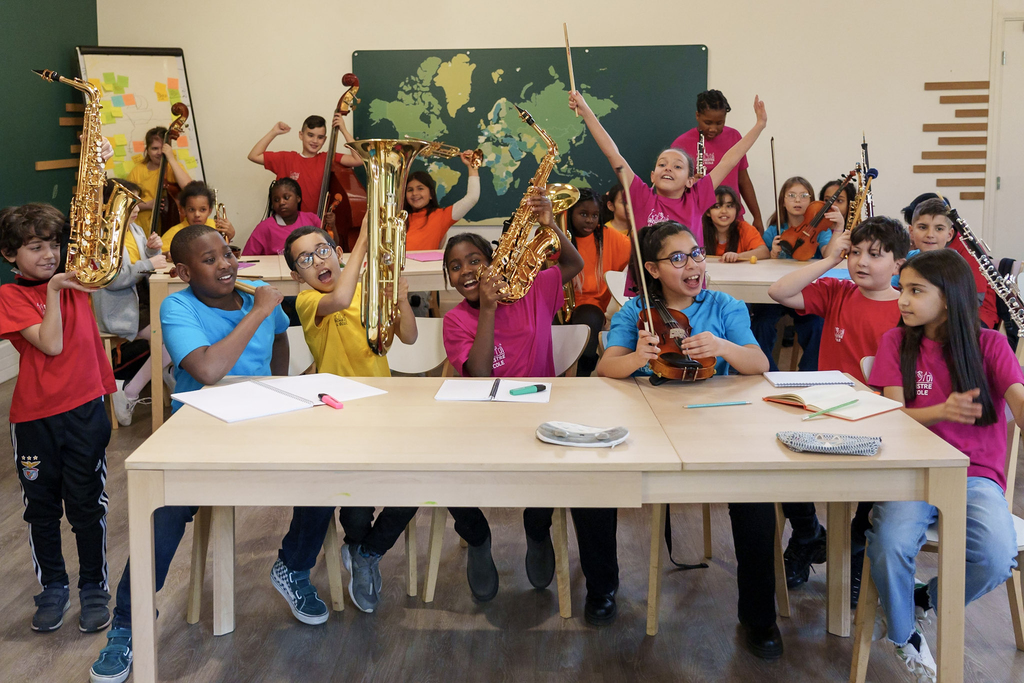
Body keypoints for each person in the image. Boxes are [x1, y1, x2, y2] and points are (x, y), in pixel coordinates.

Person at [88, 226, 332, 683]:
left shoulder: (256, 294)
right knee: (162, 511)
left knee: (325, 473)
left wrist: (276, 384)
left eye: (228, 254)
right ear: (183, 272)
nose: (225, 265)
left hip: (260, 419)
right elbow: (207, 369)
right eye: (209, 259)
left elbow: (280, 338)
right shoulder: (177, 306)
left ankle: (294, 568)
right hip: (200, 426)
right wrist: (258, 313)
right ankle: (126, 623)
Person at [595, 221, 782, 659]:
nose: (693, 265)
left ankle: (760, 617)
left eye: (696, 253)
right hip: (651, 423)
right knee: (597, 483)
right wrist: (637, 357)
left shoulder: (725, 305)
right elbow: (607, 366)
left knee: (755, 498)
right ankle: (601, 588)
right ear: (653, 270)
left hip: (717, 423)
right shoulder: (636, 311)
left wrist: (722, 346)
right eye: (677, 259)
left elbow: (758, 362)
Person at [442, 197, 621, 625]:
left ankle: (537, 530)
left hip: (539, 417)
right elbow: (480, 374)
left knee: (553, 475)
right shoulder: (456, 321)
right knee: (441, 471)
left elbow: (574, 264)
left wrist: (551, 224)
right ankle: (477, 537)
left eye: (475, 261)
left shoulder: (533, 290)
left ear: (493, 263)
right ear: (449, 279)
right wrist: (487, 308)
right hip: (482, 421)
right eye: (455, 267)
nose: (467, 271)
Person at [866, 248, 1023, 681]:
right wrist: (941, 411)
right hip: (913, 472)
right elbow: (891, 417)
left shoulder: (990, 344)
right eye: (902, 288)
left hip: (976, 476)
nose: (902, 299)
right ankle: (905, 636)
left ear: (950, 299)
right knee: (890, 544)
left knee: (997, 556)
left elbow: (1018, 402)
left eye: (916, 291)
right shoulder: (896, 342)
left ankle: (922, 600)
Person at [768, 216, 910, 603]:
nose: (861, 262)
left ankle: (855, 548)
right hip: (825, 413)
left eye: (875, 255)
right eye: (855, 253)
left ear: (898, 263)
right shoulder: (837, 291)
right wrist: (830, 259)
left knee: (880, 485)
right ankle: (808, 534)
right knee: (779, 458)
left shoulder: (907, 309)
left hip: (881, 420)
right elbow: (779, 290)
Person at [283, 222, 418, 613]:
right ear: (297, 276)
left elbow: (408, 337)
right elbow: (341, 298)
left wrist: (401, 300)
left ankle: (366, 553)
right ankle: (359, 546)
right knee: (357, 507)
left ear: (337, 253)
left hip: (384, 411)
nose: (317, 261)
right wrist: (364, 239)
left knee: (415, 488)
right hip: (340, 419)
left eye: (323, 250)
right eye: (305, 259)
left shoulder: (368, 289)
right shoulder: (308, 301)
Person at [0, 204, 115, 633]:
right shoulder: (10, 297)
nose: (49, 254)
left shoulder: (77, 278)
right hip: (34, 420)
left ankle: (93, 586)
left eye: (54, 244)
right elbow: (50, 343)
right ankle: (52, 586)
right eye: (35, 247)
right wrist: (52, 291)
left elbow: (104, 254)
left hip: (85, 410)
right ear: (10, 254)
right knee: (41, 508)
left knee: (86, 505)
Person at [570, 90, 768, 248]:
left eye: (677, 166)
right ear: (652, 176)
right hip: (649, 283)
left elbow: (729, 161)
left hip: (687, 281)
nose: (668, 169)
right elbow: (612, 153)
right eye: (662, 164)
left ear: (690, 180)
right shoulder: (641, 196)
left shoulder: (696, 198)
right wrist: (586, 112)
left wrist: (760, 125)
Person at [91, 180, 175, 426]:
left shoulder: (136, 229)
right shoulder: (103, 237)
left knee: (178, 328)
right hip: (120, 312)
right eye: (130, 203)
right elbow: (114, 280)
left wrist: (151, 251)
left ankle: (168, 373)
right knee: (170, 339)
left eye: (137, 202)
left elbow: (141, 269)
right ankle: (129, 391)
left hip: (142, 304)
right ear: (110, 206)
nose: (137, 208)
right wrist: (149, 262)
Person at [750, 176, 837, 372]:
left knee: (817, 325)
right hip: (775, 291)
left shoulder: (821, 229)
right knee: (761, 324)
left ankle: (808, 374)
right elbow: (762, 259)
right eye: (791, 195)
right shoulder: (774, 230)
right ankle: (766, 372)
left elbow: (829, 256)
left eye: (804, 196)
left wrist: (837, 230)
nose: (798, 200)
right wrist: (772, 254)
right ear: (783, 201)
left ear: (812, 201)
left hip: (806, 291)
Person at [671, 89, 765, 231]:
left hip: (732, 217)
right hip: (699, 219)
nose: (713, 129)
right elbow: (671, 188)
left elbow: (743, 180)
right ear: (697, 116)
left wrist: (757, 216)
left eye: (719, 123)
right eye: (707, 122)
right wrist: (688, 184)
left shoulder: (734, 136)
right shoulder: (681, 144)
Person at [563, 187, 632, 377]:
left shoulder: (612, 238)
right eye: (583, 214)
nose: (589, 220)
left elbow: (637, 261)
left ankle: (582, 374)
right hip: (559, 305)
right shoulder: (560, 237)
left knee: (589, 318)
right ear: (569, 213)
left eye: (595, 215)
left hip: (593, 307)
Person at [247, 115, 361, 214]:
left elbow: (358, 160)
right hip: (289, 224)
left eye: (320, 137)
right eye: (310, 135)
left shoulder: (328, 158)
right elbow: (254, 155)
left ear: (325, 139)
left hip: (317, 223)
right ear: (301, 135)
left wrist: (344, 130)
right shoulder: (286, 158)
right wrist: (274, 132)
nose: (315, 141)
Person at [404, 151, 481, 251]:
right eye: (410, 190)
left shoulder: (441, 216)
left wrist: (472, 167)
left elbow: (472, 197)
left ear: (431, 194)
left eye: (420, 188)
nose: (414, 193)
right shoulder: (399, 219)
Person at [126, 126, 192, 232]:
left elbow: (189, 187)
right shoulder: (137, 171)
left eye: (163, 148)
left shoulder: (172, 167)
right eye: (155, 148)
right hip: (143, 227)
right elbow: (127, 202)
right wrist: (148, 205)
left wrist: (171, 158)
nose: (159, 152)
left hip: (170, 225)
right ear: (147, 150)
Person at [243, 178, 321, 256]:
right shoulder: (264, 228)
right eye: (276, 200)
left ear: (298, 198)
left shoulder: (312, 219)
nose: (281, 202)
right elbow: (247, 259)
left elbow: (326, 247)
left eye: (286, 198)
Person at [159, 180, 235, 249]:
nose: (197, 214)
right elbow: (160, 253)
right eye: (191, 210)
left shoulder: (217, 227)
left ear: (210, 211)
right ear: (183, 210)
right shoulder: (174, 233)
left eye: (203, 210)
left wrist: (230, 235)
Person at [701, 185, 768, 262]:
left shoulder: (744, 228)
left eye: (729, 206)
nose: (724, 211)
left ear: (736, 209)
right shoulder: (699, 230)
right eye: (717, 207)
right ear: (707, 212)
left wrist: (738, 256)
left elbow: (764, 252)